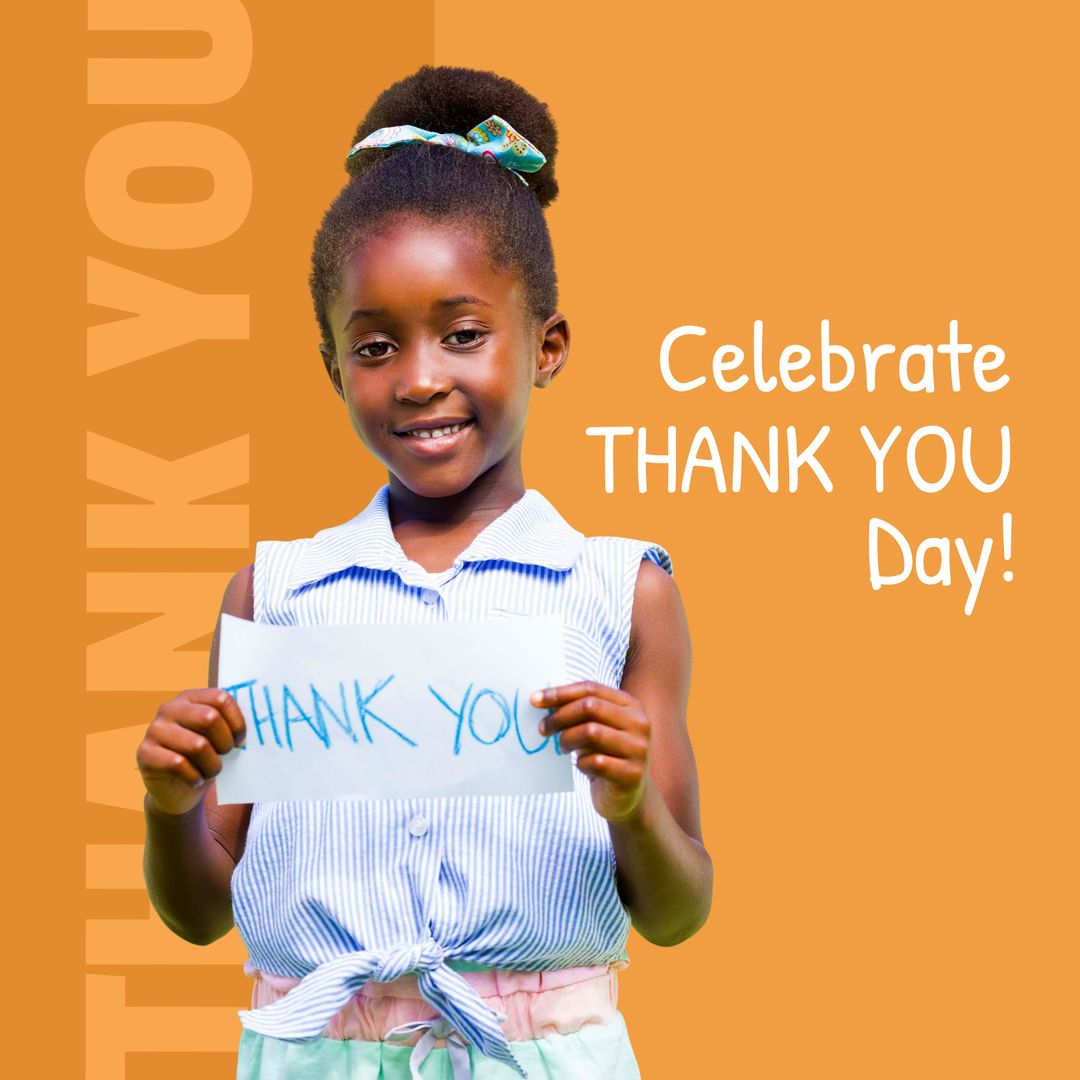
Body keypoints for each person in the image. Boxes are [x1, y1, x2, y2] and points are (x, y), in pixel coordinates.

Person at [138, 64, 712, 1080]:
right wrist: (169, 805)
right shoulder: (274, 596)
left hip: (540, 1057)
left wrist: (629, 806)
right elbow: (197, 914)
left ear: (547, 345)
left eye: (463, 333)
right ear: (331, 366)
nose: (420, 379)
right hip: (318, 1055)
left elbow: (678, 913)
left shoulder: (619, 591)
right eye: (373, 346)